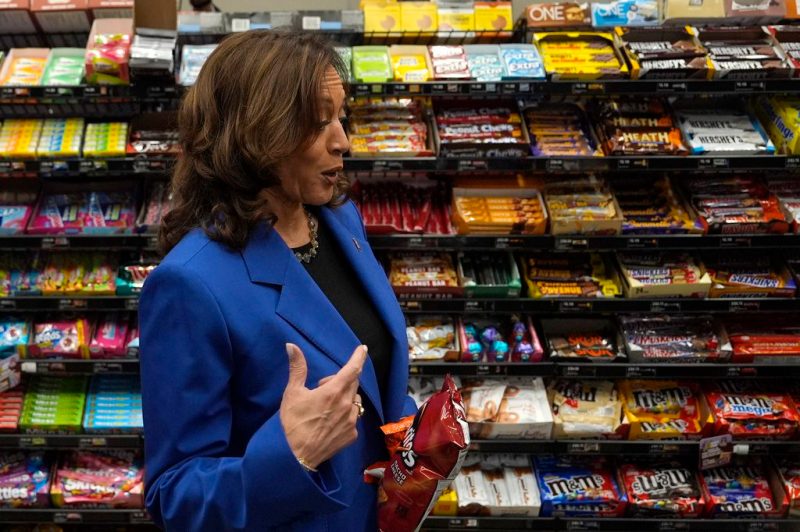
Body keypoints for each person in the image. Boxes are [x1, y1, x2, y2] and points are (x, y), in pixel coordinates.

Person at [139, 30, 417, 531]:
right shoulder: (189, 284)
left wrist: (415, 433)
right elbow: (174, 495)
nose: (343, 141)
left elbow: (366, 367)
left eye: (341, 116)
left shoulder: (340, 219)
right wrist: (292, 454)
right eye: (318, 123)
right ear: (257, 134)